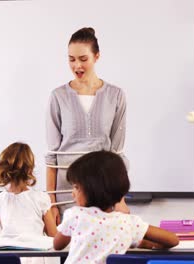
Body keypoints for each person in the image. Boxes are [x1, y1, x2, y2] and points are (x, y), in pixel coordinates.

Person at [46, 27, 129, 224]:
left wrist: (120, 200)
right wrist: (51, 202)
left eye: (83, 59)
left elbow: (116, 154)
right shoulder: (58, 96)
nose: (77, 65)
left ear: (97, 56)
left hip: (104, 192)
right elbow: (51, 155)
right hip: (68, 193)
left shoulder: (115, 95)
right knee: (69, 253)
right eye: (71, 59)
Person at [53, 150, 179, 263]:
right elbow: (172, 240)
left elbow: (57, 245)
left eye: (76, 187)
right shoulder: (128, 222)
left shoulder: (75, 215)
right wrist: (139, 242)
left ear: (93, 189)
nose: (72, 193)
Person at [0, 142, 57, 264]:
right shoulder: (40, 198)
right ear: (29, 169)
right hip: (35, 257)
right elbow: (53, 235)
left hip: (8, 258)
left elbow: (6, 232)